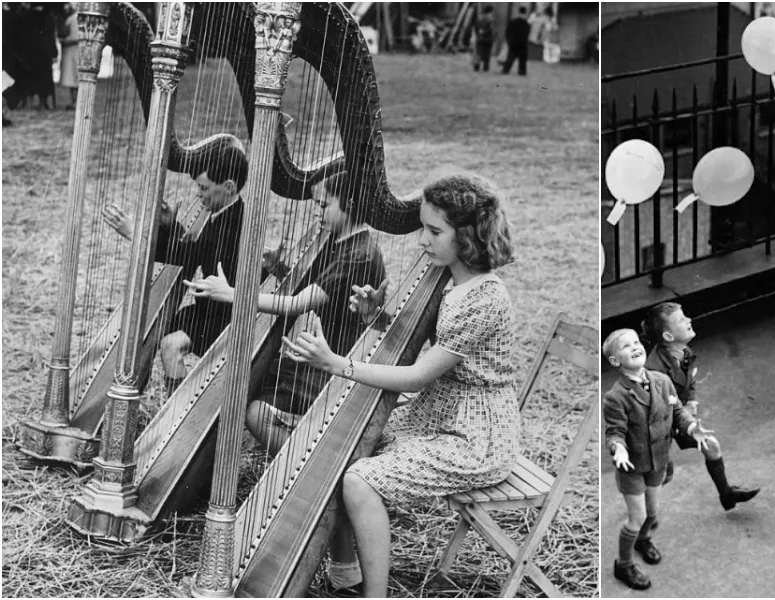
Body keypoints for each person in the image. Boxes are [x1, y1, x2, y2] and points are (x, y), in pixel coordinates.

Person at [280, 173, 518, 598]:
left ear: (466, 236)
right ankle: (346, 569)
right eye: (423, 228)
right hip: (438, 414)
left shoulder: (485, 299)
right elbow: (432, 347)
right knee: (341, 448)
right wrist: (378, 317)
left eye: (434, 231)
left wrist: (337, 363)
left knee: (358, 478)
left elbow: (418, 375)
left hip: (475, 435)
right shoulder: (451, 281)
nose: (423, 240)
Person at [185, 170, 386, 457]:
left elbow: (295, 304)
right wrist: (279, 268)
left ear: (350, 205)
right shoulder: (339, 241)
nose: (319, 213)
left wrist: (231, 294)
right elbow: (311, 288)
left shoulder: (357, 254)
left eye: (324, 205)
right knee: (245, 378)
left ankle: (308, 466)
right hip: (320, 353)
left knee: (255, 412)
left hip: (337, 363)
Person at [101, 141, 253, 395]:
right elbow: (196, 249)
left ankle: (178, 410)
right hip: (211, 310)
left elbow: (188, 255)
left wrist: (138, 236)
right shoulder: (225, 212)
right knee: (158, 329)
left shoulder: (233, 225)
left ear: (228, 187)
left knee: (171, 344)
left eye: (204, 188)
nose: (198, 194)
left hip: (229, 315)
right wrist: (172, 226)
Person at [603, 328, 713, 591]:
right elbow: (614, 431)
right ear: (616, 362)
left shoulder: (662, 381)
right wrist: (618, 448)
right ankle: (624, 564)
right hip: (633, 467)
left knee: (652, 512)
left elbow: (677, 411)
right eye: (626, 346)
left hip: (658, 461)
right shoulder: (615, 397)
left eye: (636, 342)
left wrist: (690, 427)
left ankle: (643, 539)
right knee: (636, 516)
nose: (635, 347)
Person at [642, 302, 759, 511]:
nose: (688, 320)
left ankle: (727, 495)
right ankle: (638, 505)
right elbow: (657, 408)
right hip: (657, 427)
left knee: (711, 445)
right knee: (661, 476)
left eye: (685, 316)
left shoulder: (684, 352)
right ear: (668, 337)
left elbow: (690, 380)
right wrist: (685, 418)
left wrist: (691, 402)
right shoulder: (655, 371)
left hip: (678, 418)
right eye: (681, 320)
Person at [57, 4, 79, 110]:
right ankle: (73, 101)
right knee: (72, 79)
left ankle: (75, 101)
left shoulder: (75, 19)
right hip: (71, 52)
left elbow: (76, 36)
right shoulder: (72, 18)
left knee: (74, 77)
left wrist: (64, 41)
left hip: (73, 52)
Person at [501, 6, 531, 76]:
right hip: (522, 45)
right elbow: (527, 35)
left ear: (519, 12)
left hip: (513, 44)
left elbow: (507, 33)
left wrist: (509, 42)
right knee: (522, 62)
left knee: (510, 59)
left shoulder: (513, 22)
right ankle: (522, 72)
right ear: (525, 13)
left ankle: (505, 71)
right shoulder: (526, 24)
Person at [470, 5, 496, 73]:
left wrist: (479, 34)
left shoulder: (480, 19)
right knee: (487, 55)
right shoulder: (490, 20)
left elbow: (475, 28)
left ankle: (476, 67)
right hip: (487, 40)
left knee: (478, 53)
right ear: (490, 12)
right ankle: (485, 68)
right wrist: (492, 37)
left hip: (480, 39)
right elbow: (492, 30)